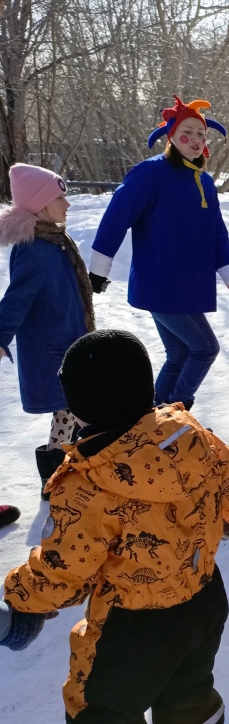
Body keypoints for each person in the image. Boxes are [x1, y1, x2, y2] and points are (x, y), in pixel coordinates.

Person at [2, 329, 229, 724]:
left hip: (132, 625)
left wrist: (19, 596)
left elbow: (64, 568)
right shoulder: (189, 434)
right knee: (189, 686)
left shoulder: (87, 483)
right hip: (204, 598)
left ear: (78, 406)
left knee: (100, 707)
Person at [88, 96, 229, 410]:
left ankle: (154, 416)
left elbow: (217, 233)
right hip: (160, 284)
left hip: (188, 287)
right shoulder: (150, 174)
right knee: (205, 348)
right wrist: (97, 270)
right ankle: (177, 411)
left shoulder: (204, 181)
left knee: (179, 354)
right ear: (171, 136)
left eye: (201, 134)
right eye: (188, 133)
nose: (197, 140)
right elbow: (116, 218)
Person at [0, 164, 98, 498]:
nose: (67, 204)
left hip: (69, 341)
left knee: (70, 412)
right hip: (54, 349)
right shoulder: (34, 249)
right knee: (87, 410)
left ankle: (57, 475)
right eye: (60, 198)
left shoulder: (54, 240)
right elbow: (16, 299)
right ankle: (87, 470)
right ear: (41, 204)